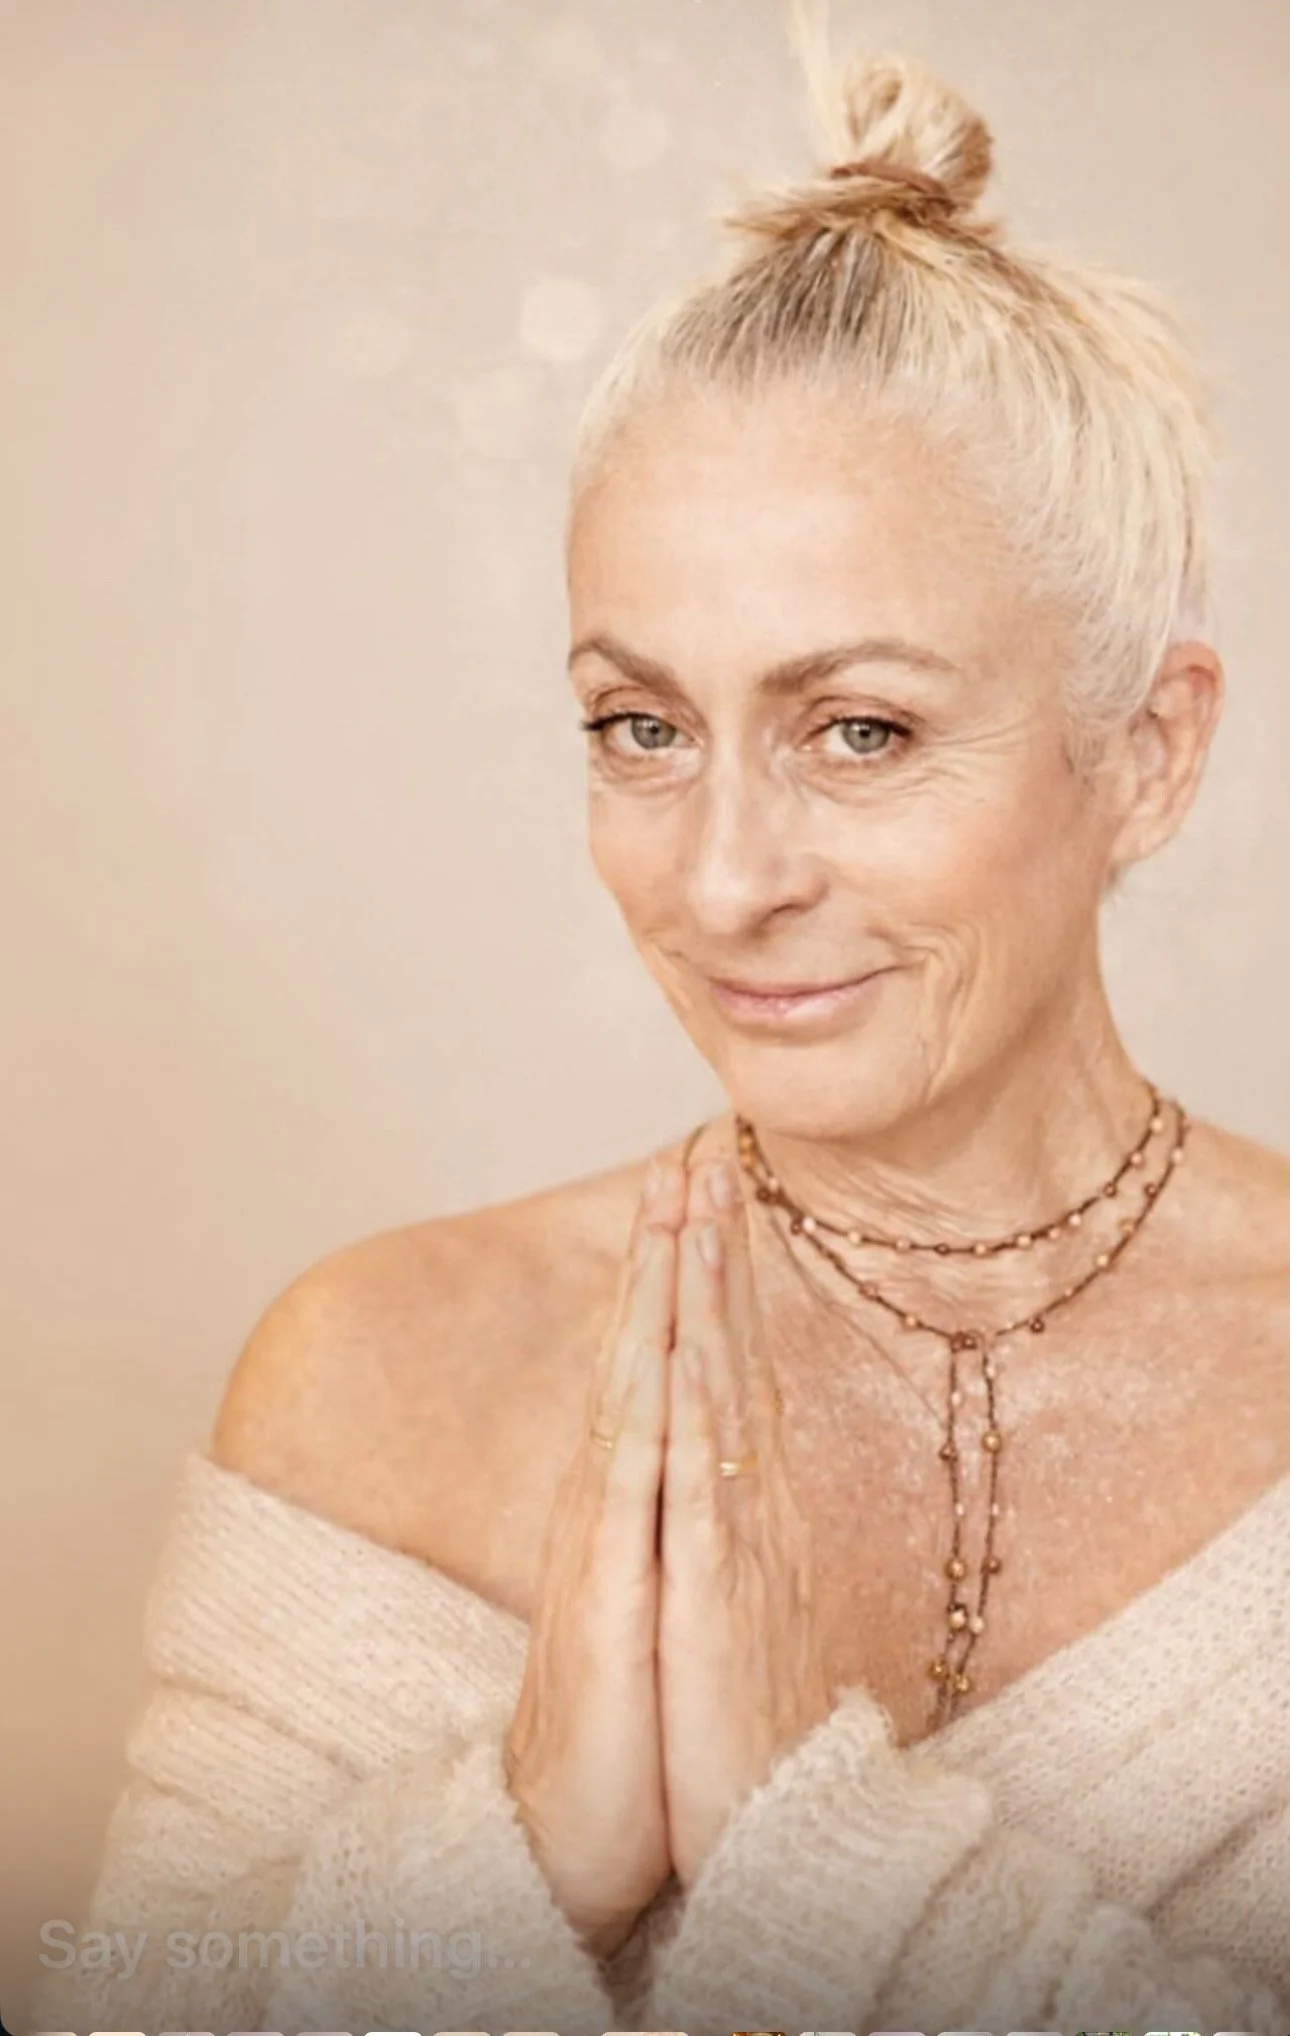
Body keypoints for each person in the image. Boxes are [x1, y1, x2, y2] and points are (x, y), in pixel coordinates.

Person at [28, 19, 1290, 2036]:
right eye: (641, 728)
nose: (718, 881)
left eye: (857, 730)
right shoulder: (371, 1380)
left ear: (1146, 753)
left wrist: (831, 1852)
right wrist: (521, 1845)